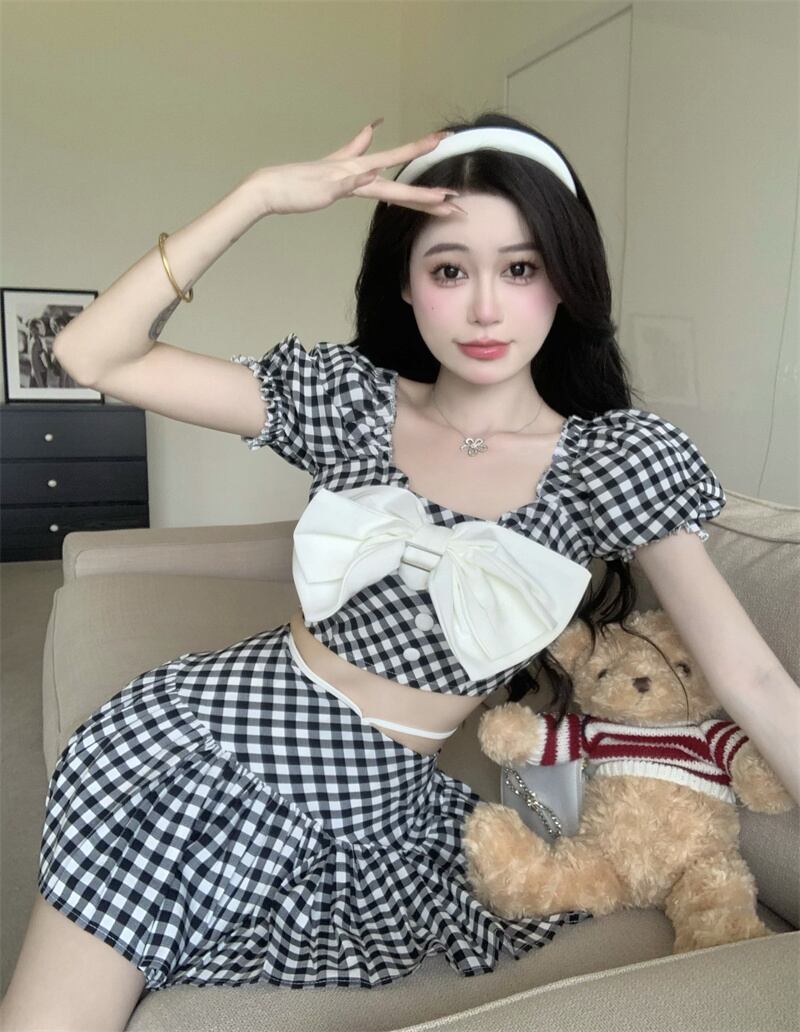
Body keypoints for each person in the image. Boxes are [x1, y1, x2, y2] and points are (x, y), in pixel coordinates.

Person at [2, 111, 797, 1032]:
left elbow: (753, 679)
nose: (486, 308)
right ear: (408, 287)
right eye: (450, 269)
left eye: (521, 268)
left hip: (367, 805)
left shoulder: (612, 462)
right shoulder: (350, 403)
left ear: (566, 282)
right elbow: (92, 353)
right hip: (198, 744)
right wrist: (259, 196)